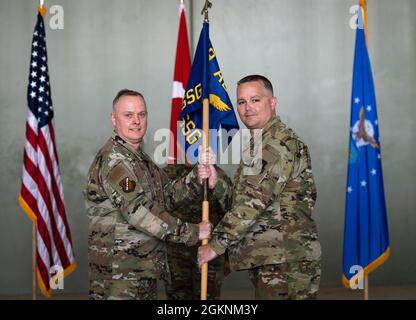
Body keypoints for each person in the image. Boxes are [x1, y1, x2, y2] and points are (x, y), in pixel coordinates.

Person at [198, 75, 322, 300]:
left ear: (272, 102)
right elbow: (244, 197)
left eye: (255, 100)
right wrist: (217, 183)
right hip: (275, 258)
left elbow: (252, 204)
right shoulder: (259, 144)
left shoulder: (277, 144)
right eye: (242, 102)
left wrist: (215, 246)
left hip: (285, 261)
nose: (247, 108)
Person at [84, 89, 215, 300]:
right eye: (128, 115)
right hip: (120, 273)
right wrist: (192, 232)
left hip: (141, 269)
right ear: (113, 119)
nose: (136, 121)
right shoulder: (115, 161)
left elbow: (166, 195)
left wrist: (196, 178)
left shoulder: (139, 158)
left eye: (141, 114)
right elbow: (138, 209)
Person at [163, 163, 233, 300]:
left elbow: (229, 212)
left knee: (208, 295)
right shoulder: (168, 173)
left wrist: (227, 256)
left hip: (208, 251)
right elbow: (160, 208)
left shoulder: (218, 174)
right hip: (175, 253)